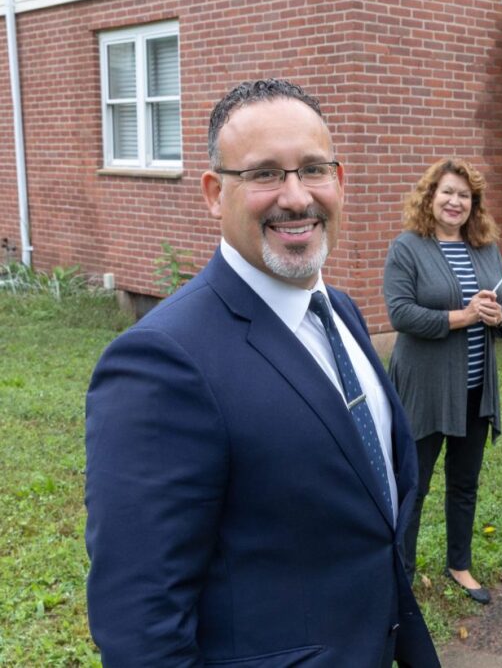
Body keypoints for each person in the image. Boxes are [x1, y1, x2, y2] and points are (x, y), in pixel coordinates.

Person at [85, 79, 439, 667]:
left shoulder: (341, 313)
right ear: (212, 193)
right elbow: (140, 625)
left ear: (340, 181)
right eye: (265, 174)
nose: (297, 197)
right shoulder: (161, 362)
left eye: (313, 169)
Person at [383, 158, 502, 605]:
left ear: (473, 204)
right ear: (430, 197)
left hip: (476, 390)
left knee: (464, 482)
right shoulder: (407, 247)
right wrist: (463, 316)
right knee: (414, 486)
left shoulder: (486, 248)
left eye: (464, 195)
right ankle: (400, 574)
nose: (455, 202)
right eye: (447, 192)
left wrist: (499, 316)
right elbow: (400, 313)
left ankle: (459, 564)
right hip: (424, 390)